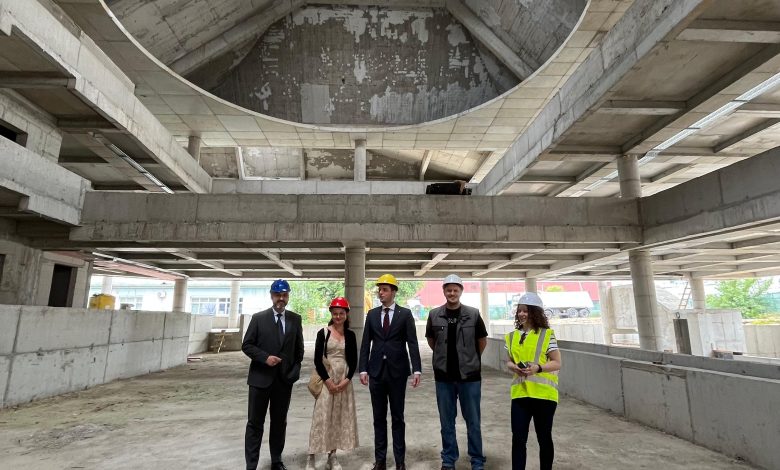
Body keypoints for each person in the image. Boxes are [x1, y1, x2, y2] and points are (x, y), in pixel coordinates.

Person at [359, 273, 423, 470]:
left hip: (397, 373)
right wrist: (363, 369)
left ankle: (400, 461)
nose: (381, 293)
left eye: (385, 289)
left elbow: (412, 342)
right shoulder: (372, 314)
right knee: (378, 418)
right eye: (379, 289)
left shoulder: (405, 314)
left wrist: (417, 369)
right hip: (376, 372)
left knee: (397, 417)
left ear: (394, 292)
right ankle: (380, 461)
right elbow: (365, 343)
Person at [425, 274, 488, 470]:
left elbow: (482, 341)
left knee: (473, 421)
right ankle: (448, 459)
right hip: (443, 377)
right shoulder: (434, 314)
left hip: (469, 377)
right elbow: (432, 341)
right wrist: (443, 357)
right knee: (446, 422)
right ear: (444, 291)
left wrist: (469, 359)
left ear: (461, 291)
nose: (452, 293)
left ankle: (477, 460)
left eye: (455, 290)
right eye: (448, 290)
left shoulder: (473, 314)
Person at [242, 279, 304, 470]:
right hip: (260, 379)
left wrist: (293, 373)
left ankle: (276, 460)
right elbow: (247, 345)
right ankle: (251, 465)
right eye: (278, 295)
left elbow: (299, 350)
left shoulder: (295, 319)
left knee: (279, 423)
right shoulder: (258, 318)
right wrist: (265, 358)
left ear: (288, 296)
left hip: (283, 382)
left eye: (284, 295)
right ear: (271, 296)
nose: (281, 298)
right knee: (255, 423)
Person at [504, 292, 562, 470]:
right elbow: (508, 361)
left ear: (535, 312)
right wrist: (513, 367)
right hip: (520, 395)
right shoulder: (511, 336)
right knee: (518, 439)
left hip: (544, 396)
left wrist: (538, 368)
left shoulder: (547, 335)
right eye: (520, 310)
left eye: (526, 310)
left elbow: (557, 362)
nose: (522, 314)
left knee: (544, 438)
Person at [305, 297, 358, 470]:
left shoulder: (350, 335)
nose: (338, 316)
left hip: (343, 381)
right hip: (326, 379)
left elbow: (354, 361)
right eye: (335, 313)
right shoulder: (323, 333)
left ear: (346, 314)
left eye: (341, 313)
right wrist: (328, 382)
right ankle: (311, 456)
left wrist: (346, 381)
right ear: (331, 314)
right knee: (321, 418)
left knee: (337, 419)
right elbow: (317, 360)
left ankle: (332, 457)